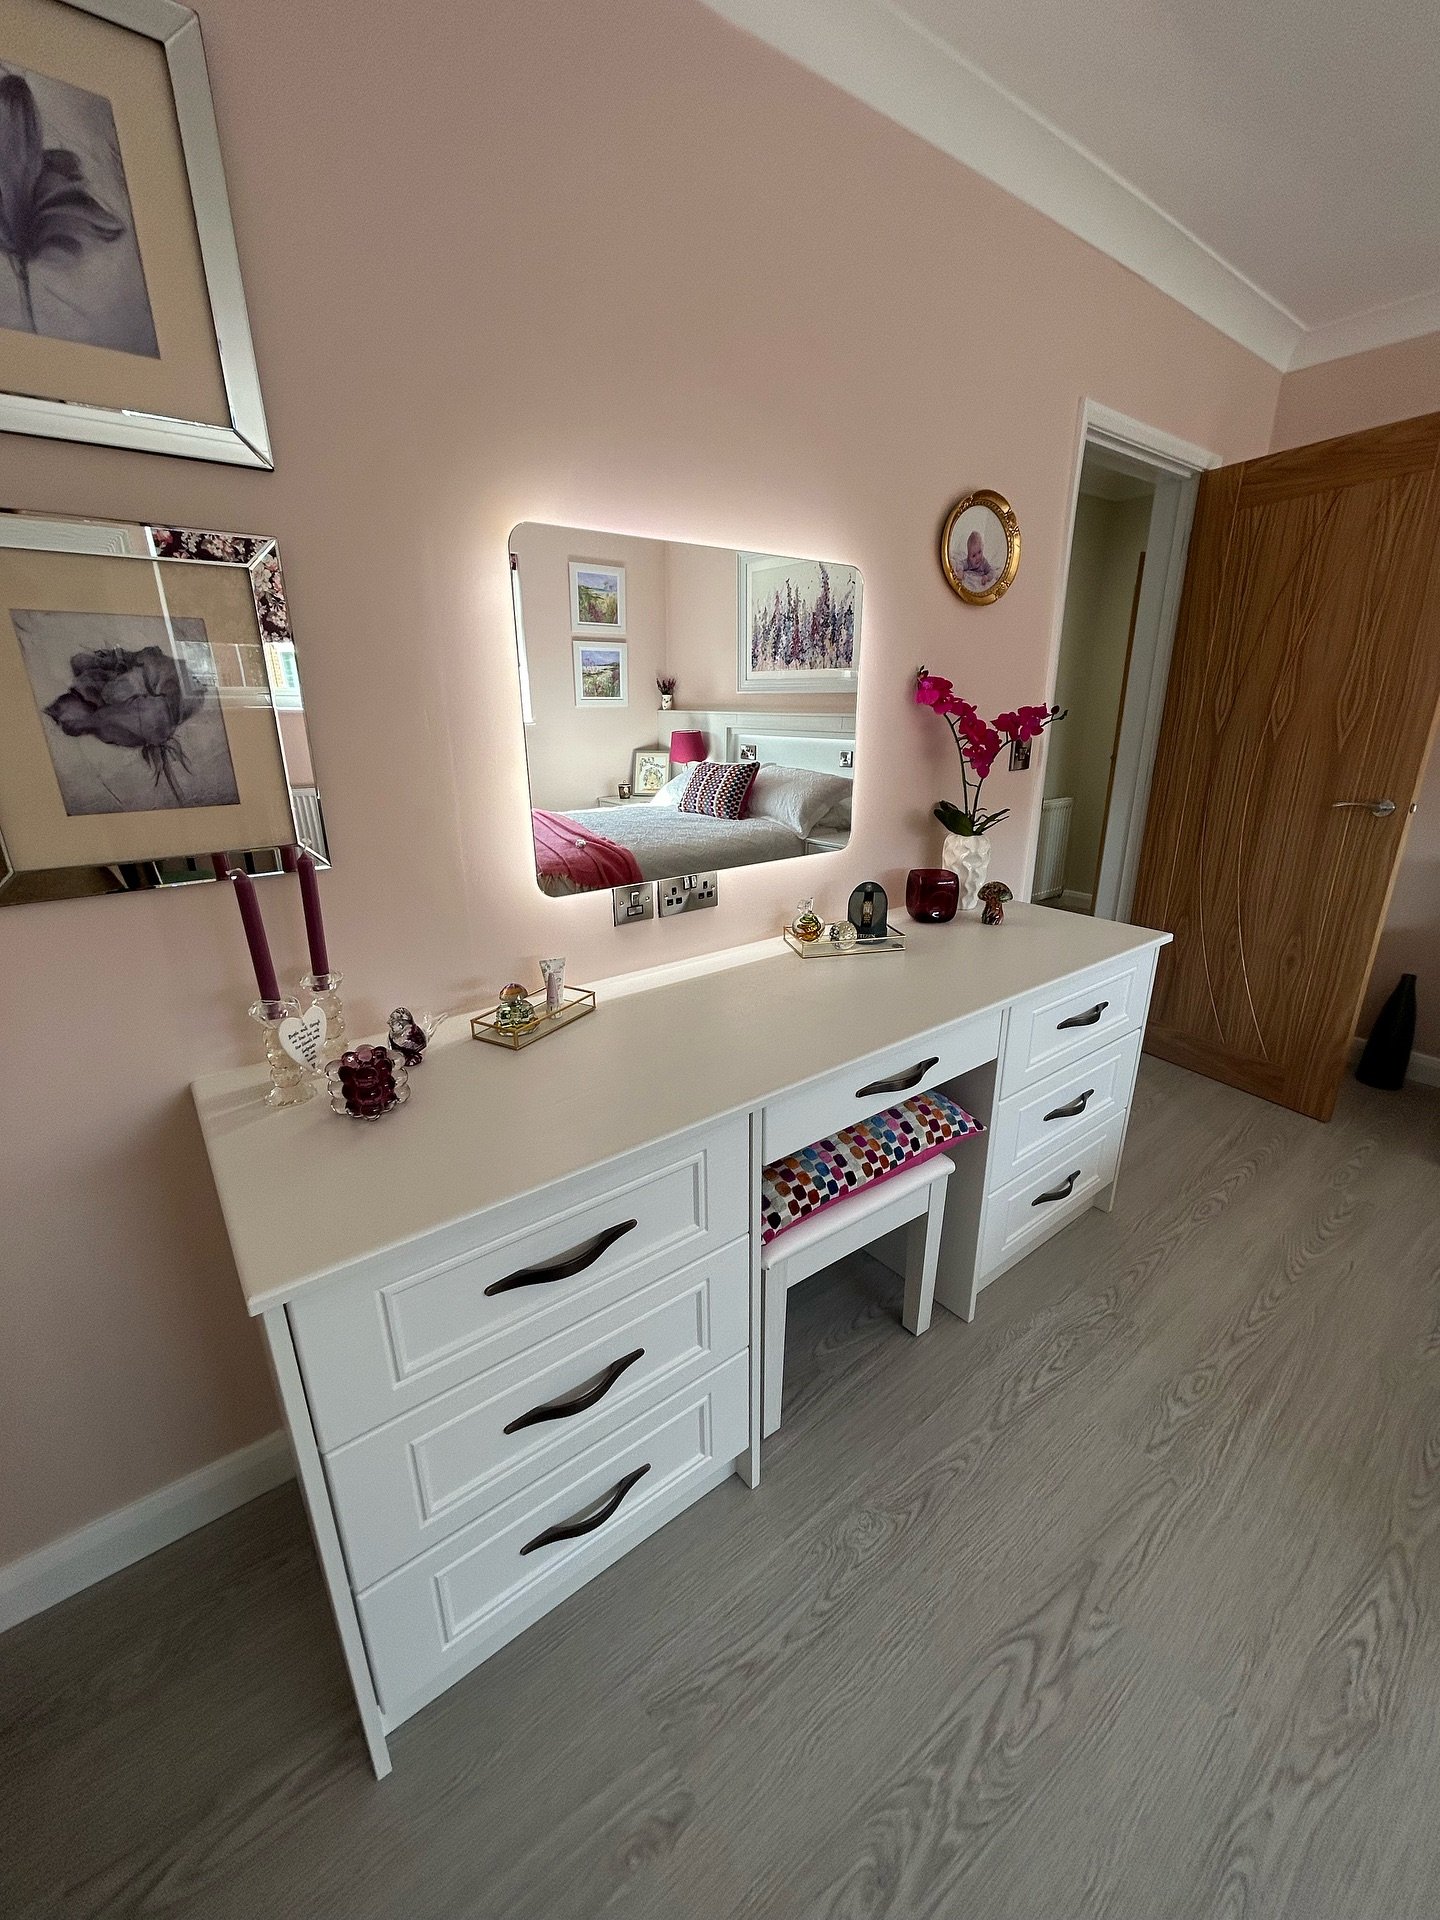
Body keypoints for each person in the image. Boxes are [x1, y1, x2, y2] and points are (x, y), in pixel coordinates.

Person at [960, 525, 998, 591]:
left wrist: (987, 577)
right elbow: (960, 564)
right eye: (974, 555)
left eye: (979, 552)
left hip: (981, 582)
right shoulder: (968, 562)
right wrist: (960, 571)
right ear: (968, 556)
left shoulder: (984, 562)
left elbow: (992, 571)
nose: (977, 557)